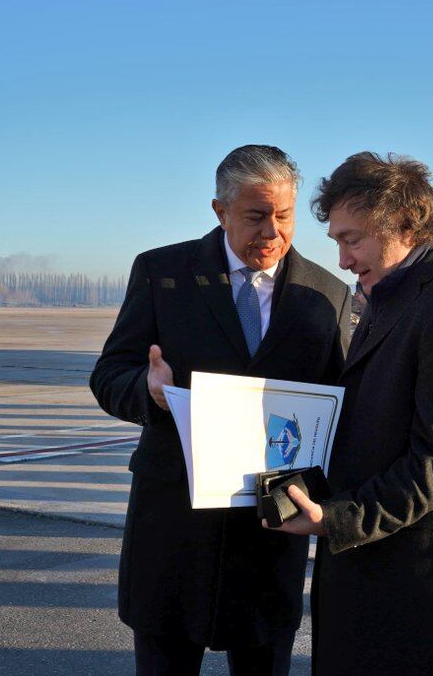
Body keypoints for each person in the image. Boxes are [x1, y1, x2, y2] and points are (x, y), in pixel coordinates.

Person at [89, 145, 351, 676]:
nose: (272, 233)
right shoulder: (164, 274)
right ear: (220, 211)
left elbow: (338, 407)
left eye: (284, 216)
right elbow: (108, 375)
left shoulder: (326, 294)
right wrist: (149, 389)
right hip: (174, 524)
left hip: (271, 528)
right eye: (255, 217)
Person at [269, 152, 433, 675]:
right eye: (337, 241)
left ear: (407, 226)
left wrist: (337, 518)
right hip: (386, 573)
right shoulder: (397, 292)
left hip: (430, 595)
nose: (342, 259)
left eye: (352, 239)